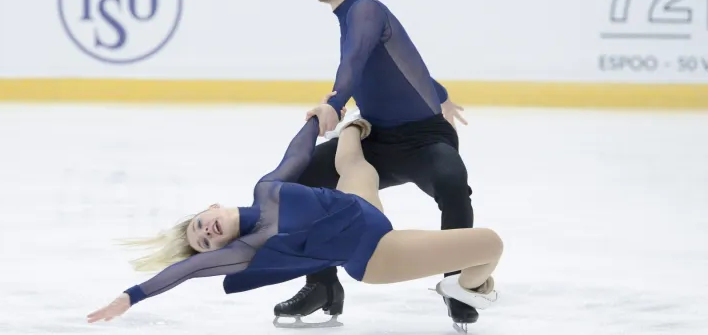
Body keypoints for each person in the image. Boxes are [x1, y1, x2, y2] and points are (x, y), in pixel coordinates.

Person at [86, 113, 502, 333]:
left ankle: (353, 122)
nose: (206, 235)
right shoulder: (246, 248)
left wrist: (319, 115)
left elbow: (297, 156)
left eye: (200, 225)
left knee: (356, 160)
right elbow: (186, 269)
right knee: (490, 245)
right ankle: (464, 286)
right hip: (376, 253)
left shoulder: (267, 190)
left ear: (209, 207)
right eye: (206, 243)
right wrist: (131, 296)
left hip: (360, 207)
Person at [272, 0, 478, 329]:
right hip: (377, 141)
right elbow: (396, 62)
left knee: (452, 184)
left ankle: (458, 283)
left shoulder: (366, 9)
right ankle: (323, 285)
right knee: (301, 181)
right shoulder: (352, 18)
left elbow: (355, 60)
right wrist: (442, 93)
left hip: (424, 141)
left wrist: (334, 103)